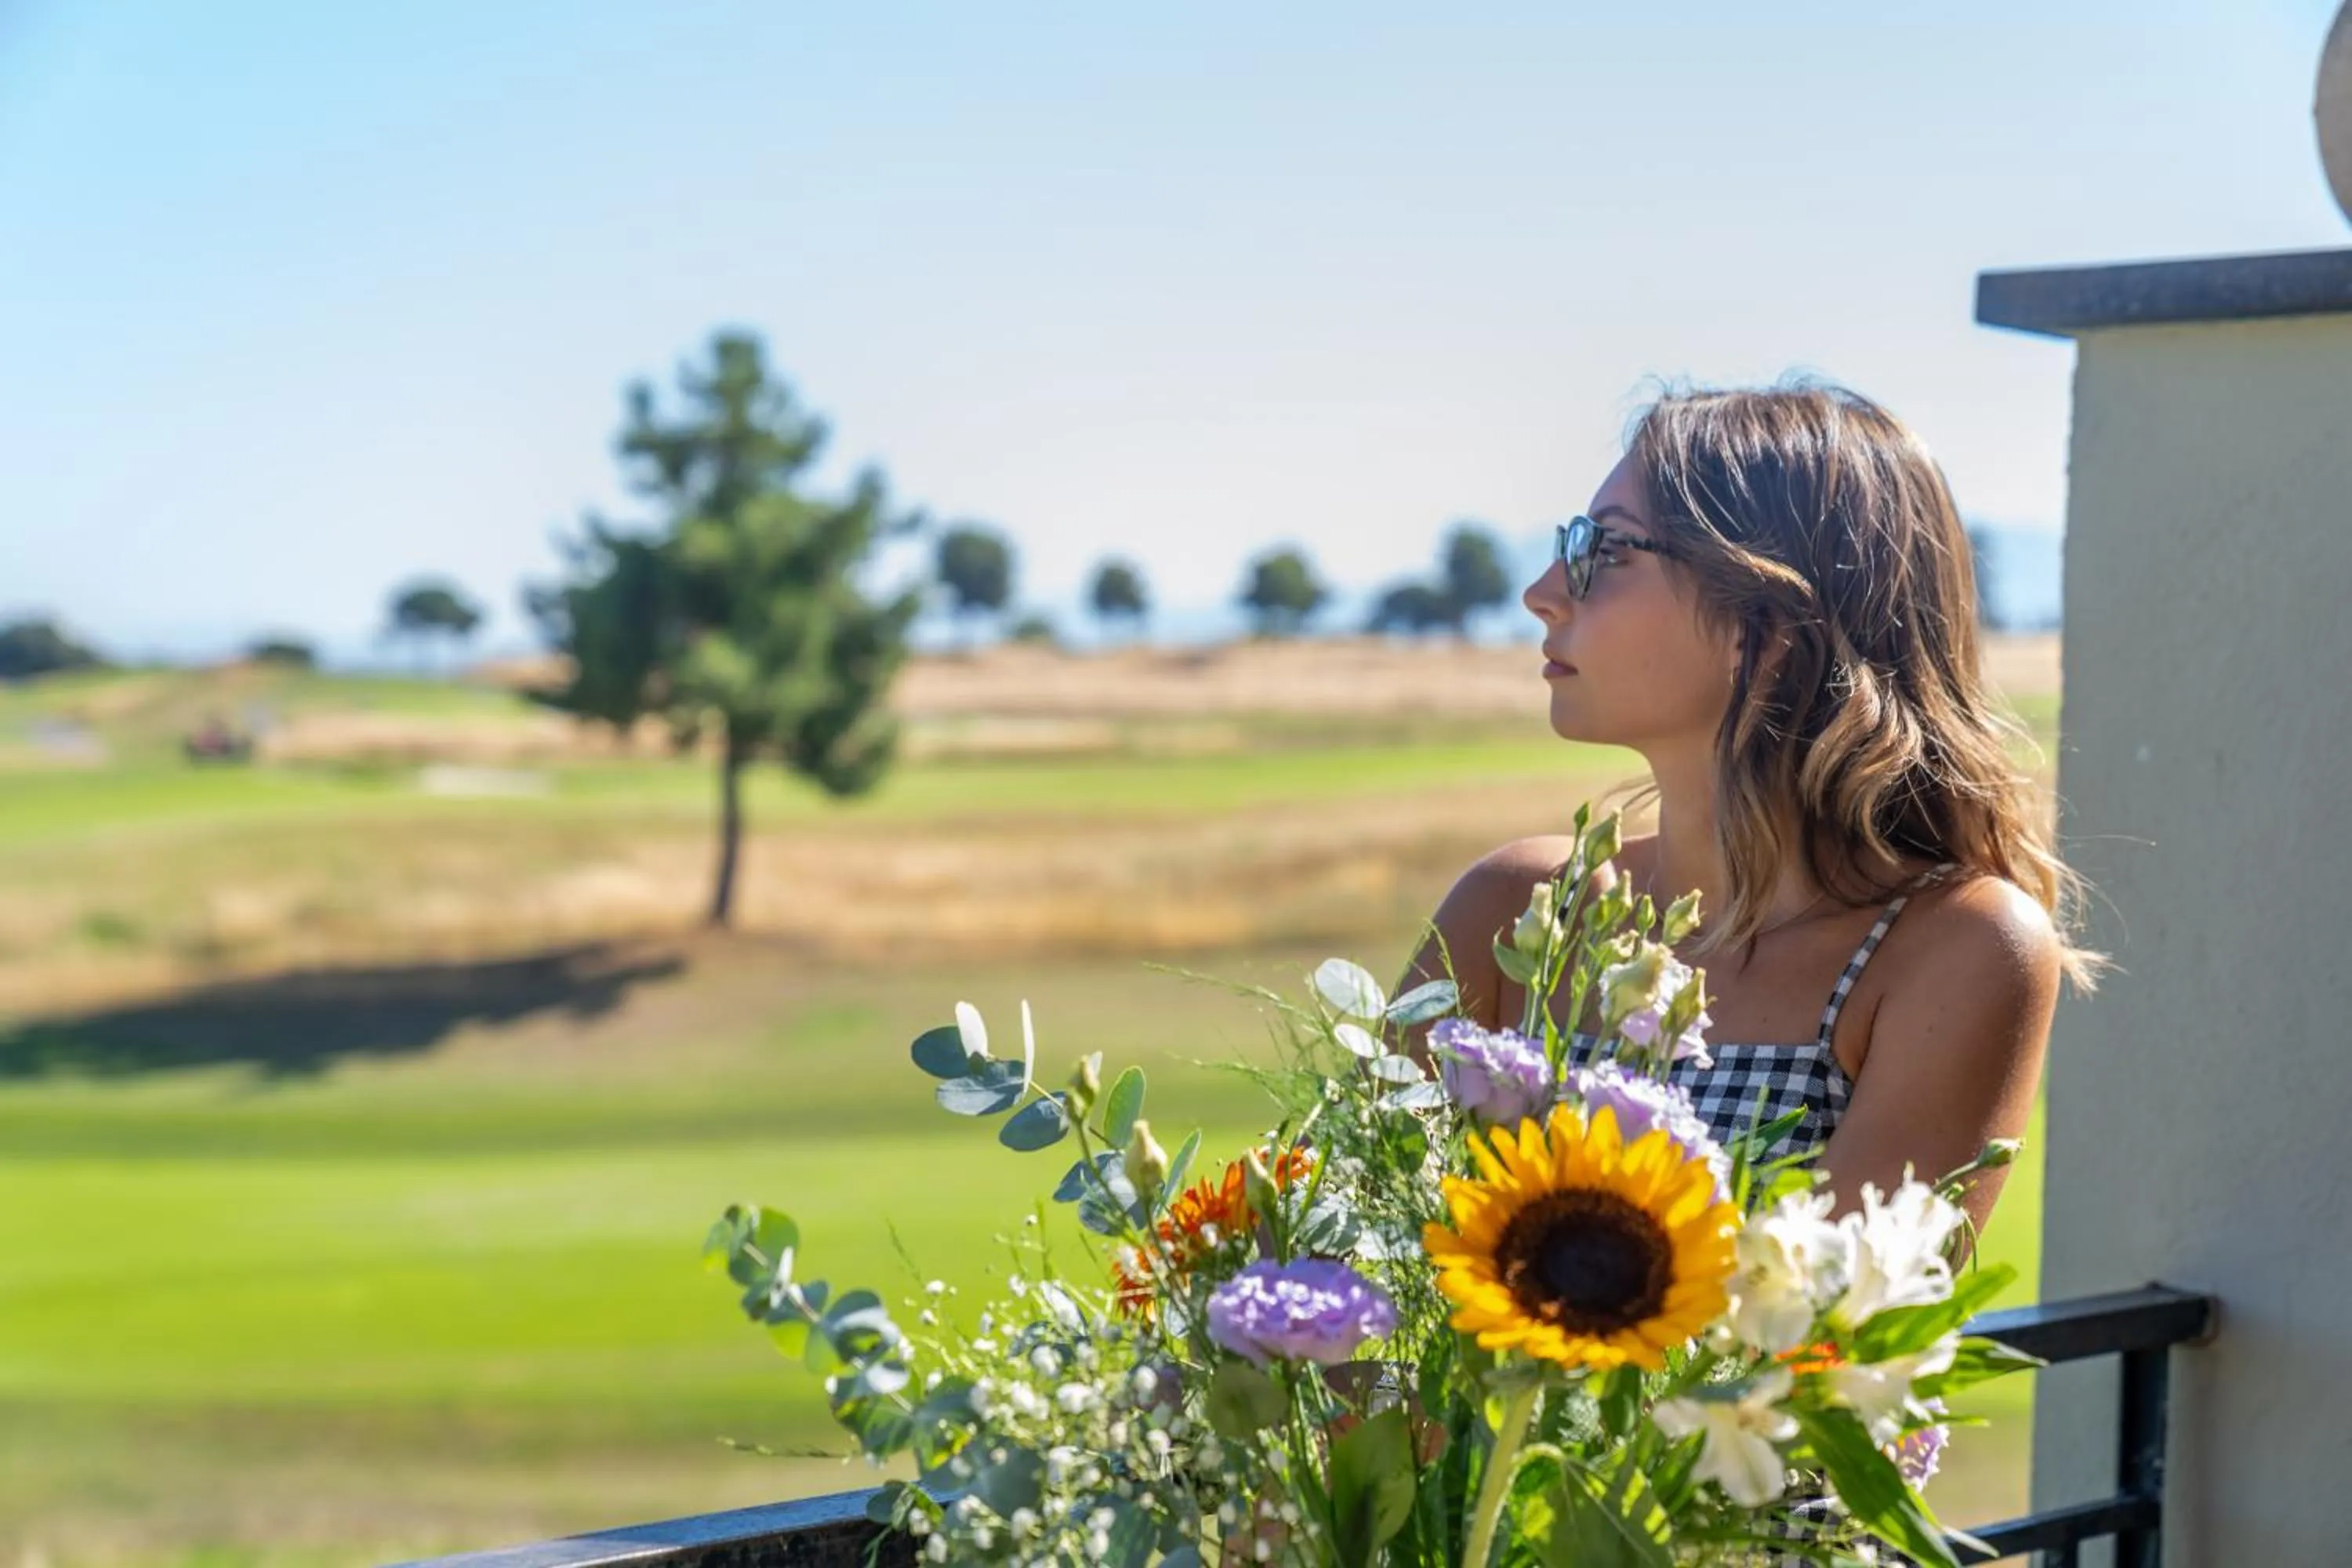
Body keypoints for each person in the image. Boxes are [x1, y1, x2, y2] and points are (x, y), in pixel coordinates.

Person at [1399, 381, 2096, 1239]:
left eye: (1605, 551)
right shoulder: (1516, 910)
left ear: (1766, 622)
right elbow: (1340, 1258)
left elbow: (1825, 1343)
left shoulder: (1953, 948)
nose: (1544, 590)